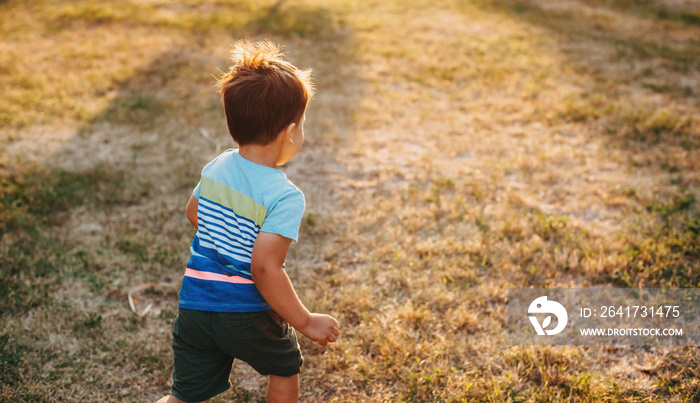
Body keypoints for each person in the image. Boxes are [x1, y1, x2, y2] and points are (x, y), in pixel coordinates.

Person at [157, 39, 340, 403]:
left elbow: (194, 212)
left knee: (185, 396)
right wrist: (305, 321)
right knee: (285, 367)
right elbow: (264, 269)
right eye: (302, 124)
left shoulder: (219, 165)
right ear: (290, 133)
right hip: (246, 313)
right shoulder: (284, 195)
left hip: (194, 305)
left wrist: (225, 237)